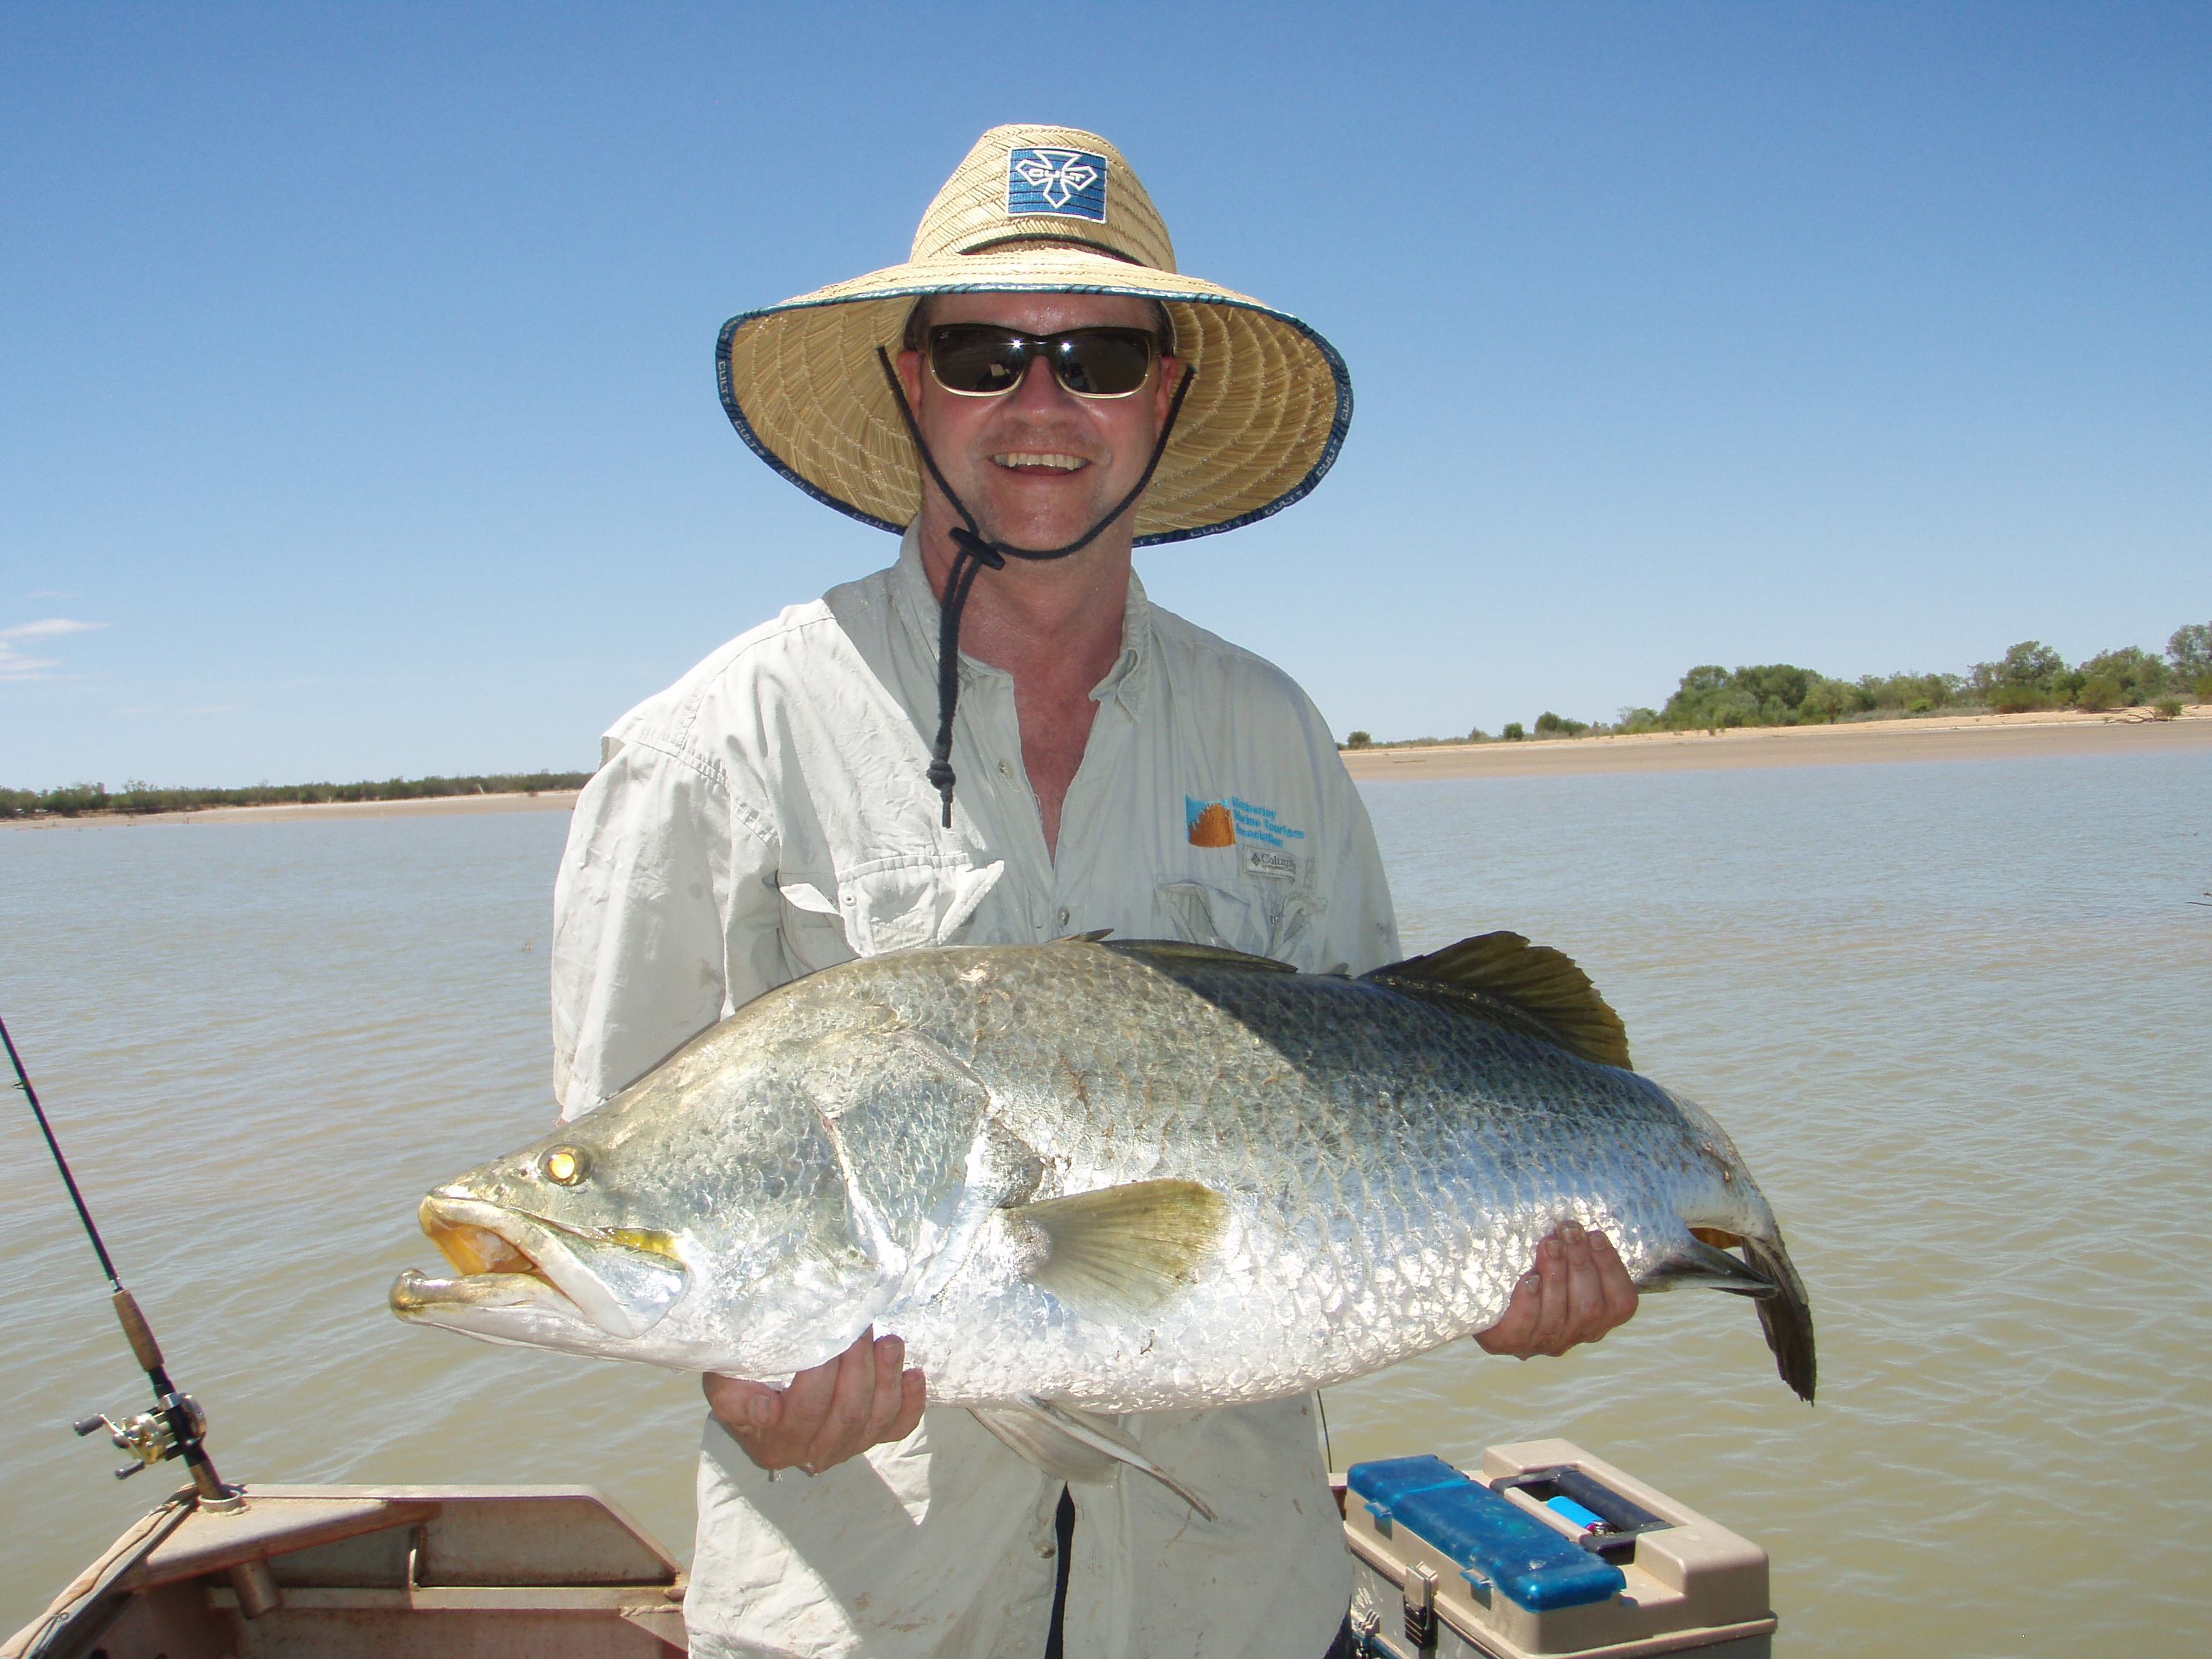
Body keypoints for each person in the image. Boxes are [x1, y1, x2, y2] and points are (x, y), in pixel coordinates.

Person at [549, 125, 1637, 1659]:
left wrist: (1508, 1269)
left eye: (1103, 357)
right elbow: (636, 1174)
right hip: (865, 1620)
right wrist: (740, 1379)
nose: (1041, 404)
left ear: (1169, 395)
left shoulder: (1275, 731)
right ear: (908, 381)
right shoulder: (702, 753)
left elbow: (1401, 1081)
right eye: (986, 351)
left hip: (1236, 1606)